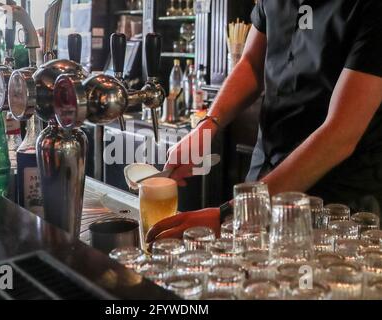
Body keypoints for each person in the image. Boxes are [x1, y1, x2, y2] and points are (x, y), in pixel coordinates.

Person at [146, 0, 382, 244]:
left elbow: (340, 134)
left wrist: (232, 214)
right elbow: (250, 64)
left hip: (335, 203)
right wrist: (206, 127)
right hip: (265, 174)